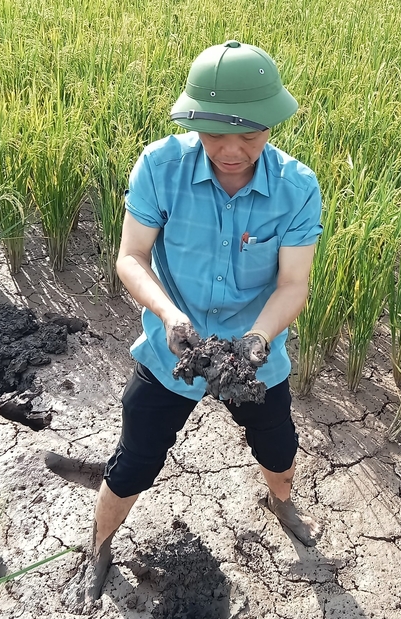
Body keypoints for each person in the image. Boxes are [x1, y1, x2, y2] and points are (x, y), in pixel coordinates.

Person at [85, 40, 323, 602]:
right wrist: (168, 317)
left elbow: (293, 285)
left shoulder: (296, 189)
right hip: (176, 346)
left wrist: (258, 340)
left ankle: (281, 500)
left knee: (278, 446)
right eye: (217, 134)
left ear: (273, 124)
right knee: (134, 460)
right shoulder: (161, 166)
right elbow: (131, 256)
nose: (233, 150)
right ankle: (97, 546)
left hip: (252, 353)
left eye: (251, 134)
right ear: (195, 121)